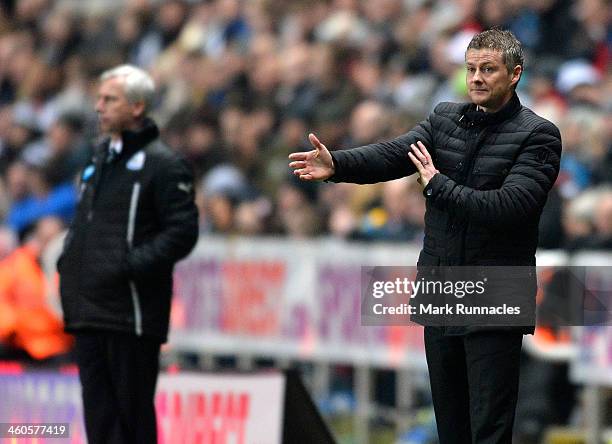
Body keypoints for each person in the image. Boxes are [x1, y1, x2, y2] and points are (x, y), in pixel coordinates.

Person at [289, 29, 562, 443]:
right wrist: (338, 164)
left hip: (496, 292)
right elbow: (392, 154)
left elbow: (511, 207)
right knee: (451, 424)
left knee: (489, 427)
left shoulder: (538, 135)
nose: (476, 78)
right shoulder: (444, 118)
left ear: (515, 74)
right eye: (471, 69)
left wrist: (437, 186)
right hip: (440, 286)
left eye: (488, 69)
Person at [57, 65, 199, 444]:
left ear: (138, 107)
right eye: (99, 98)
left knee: (132, 421)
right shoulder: (100, 160)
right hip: (89, 311)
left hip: (131, 314)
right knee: (100, 422)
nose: (99, 107)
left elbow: (182, 233)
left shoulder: (164, 165)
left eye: (110, 100)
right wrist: (70, 262)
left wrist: (127, 267)